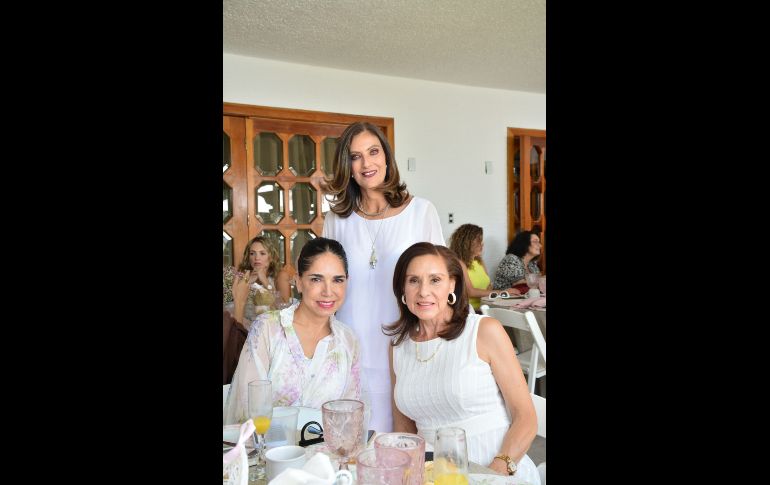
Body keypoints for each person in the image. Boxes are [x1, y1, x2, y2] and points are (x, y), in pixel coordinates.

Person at [322, 121, 444, 432]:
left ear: (387, 158)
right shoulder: (337, 219)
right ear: (347, 166)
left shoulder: (421, 212)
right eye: (355, 156)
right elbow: (326, 287)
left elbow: (440, 285)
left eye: (373, 152)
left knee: (407, 453)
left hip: (408, 349)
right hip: (350, 353)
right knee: (354, 449)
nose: (366, 163)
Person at [386, 243, 540, 483]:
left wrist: (491, 475)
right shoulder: (398, 345)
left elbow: (526, 417)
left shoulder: (484, 331)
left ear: (452, 284)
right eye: (413, 280)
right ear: (402, 288)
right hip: (432, 475)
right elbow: (404, 426)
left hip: (495, 467)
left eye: (435, 280)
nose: (424, 291)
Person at [223, 238, 361, 424]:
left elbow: (350, 417)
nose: (328, 291)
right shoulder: (268, 329)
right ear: (299, 282)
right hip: (268, 451)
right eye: (316, 279)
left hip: (325, 452)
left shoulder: (348, 340)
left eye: (337, 280)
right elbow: (244, 410)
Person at [448, 223, 519, 312]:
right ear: (467, 243)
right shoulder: (459, 263)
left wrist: (504, 293)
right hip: (469, 311)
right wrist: (502, 293)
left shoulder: (479, 261)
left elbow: (489, 287)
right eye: (478, 241)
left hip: (486, 307)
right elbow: (470, 292)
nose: (482, 245)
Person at [223, 235, 292, 325]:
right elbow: (233, 302)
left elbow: (284, 308)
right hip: (244, 323)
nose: (256, 258)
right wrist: (247, 281)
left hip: (270, 326)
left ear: (271, 257)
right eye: (252, 253)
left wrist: (265, 282)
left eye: (262, 253)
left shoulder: (280, 276)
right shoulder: (243, 275)